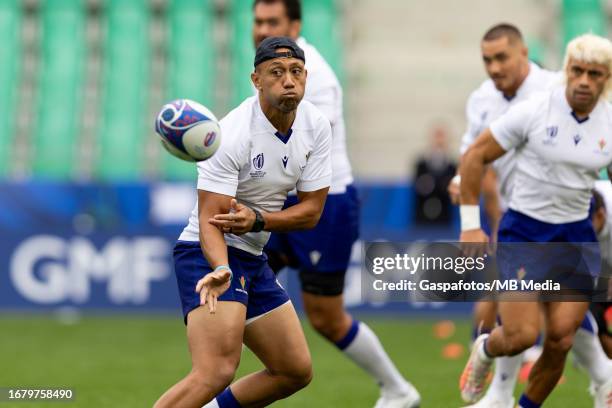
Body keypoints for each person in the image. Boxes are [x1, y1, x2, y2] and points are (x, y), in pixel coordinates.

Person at [252, 1, 421, 407]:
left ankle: (398, 390)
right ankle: (227, 385)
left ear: (295, 24)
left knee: (327, 318)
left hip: (324, 205)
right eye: (257, 21)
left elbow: (303, 149)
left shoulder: (316, 78)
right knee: (233, 291)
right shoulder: (264, 71)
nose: (261, 29)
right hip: (280, 200)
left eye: (272, 21)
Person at [154, 36, 332, 408]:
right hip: (208, 254)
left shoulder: (315, 125)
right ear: (256, 80)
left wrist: (258, 222)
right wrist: (220, 266)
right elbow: (209, 219)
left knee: (293, 370)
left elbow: (312, 211)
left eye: (296, 72)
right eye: (277, 72)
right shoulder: (231, 133)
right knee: (215, 371)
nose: (288, 80)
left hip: (252, 253)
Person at [458, 33, 612, 408]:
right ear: (566, 71)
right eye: (577, 71)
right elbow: (475, 155)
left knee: (561, 339)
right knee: (522, 336)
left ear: (606, 78)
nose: (584, 81)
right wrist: (470, 224)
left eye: (595, 74)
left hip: (576, 235)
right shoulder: (536, 110)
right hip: (525, 230)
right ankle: (485, 348)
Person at [449, 23, 558, 408]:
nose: (493, 68)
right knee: (533, 326)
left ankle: (499, 392)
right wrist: (462, 183)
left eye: (501, 58)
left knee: (563, 329)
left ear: (524, 53)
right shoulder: (482, 99)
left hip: (572, 215)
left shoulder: (554, 90)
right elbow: (470, 154)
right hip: (522, 219)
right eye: (487, 60)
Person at [414, 124, 456, 225]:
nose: (439, 141)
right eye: (437, 136)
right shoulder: (421, 165)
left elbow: (451, 192)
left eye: (441, 137)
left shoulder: (451, 167)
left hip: (444, 219)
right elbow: (420, 188)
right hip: (422, 218)